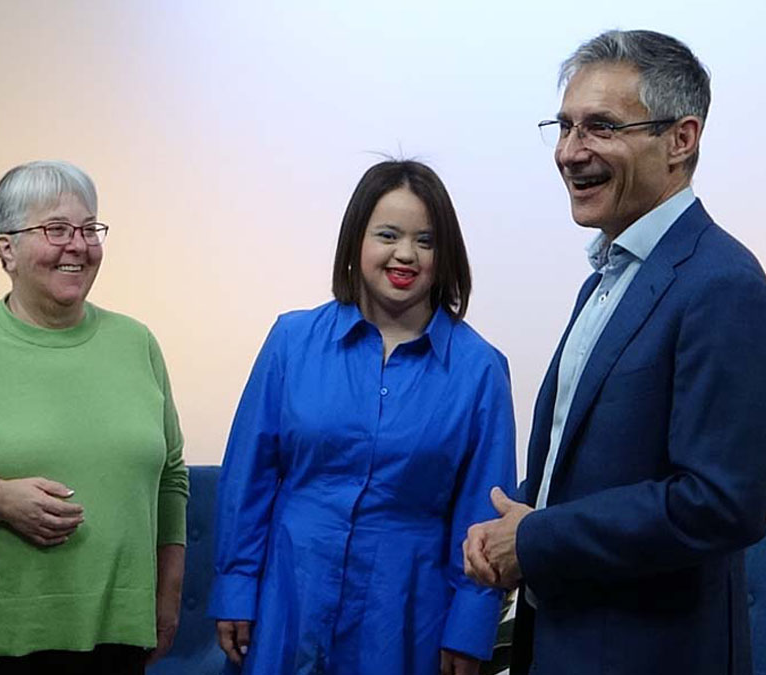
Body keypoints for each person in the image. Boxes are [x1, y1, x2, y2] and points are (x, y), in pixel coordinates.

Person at [463, 29, 766, 675]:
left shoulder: (724, 283)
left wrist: (537, 537)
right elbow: (591, 471)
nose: (571, 153)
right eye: (565, 127)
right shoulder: (603, 281)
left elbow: (722, 500)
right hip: (562, 642)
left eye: (600, 127)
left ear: (681, 139)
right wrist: (509, 525)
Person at [210, 160, 517, 675]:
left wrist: (470, 626)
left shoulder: (480, 369)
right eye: (388, 235)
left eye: (426, 240)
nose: (406, 254)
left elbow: (481, 512)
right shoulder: (292, 341)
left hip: (404, 611)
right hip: (290, 593)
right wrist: (236, 586)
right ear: (357, 241)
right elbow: (249, 478)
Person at [0, 160, 189, 674]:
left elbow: (171, 477)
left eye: (88, 228)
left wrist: (167, 599)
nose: (77, 245)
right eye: (56, 229)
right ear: (5, 248)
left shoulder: (137, 343)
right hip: (1, 638)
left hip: (119, 632)